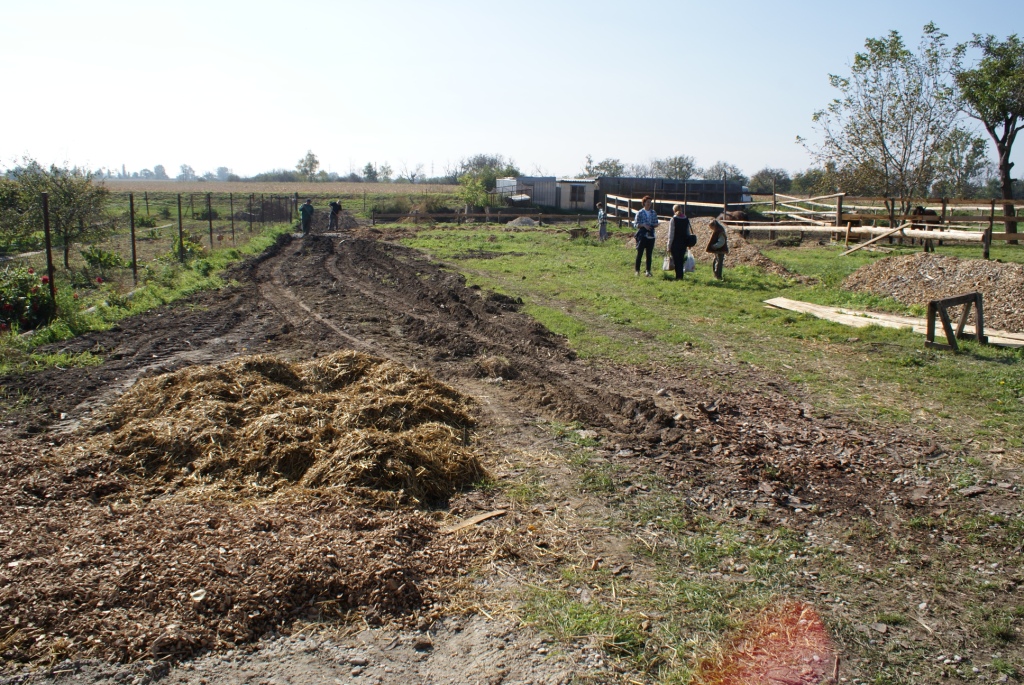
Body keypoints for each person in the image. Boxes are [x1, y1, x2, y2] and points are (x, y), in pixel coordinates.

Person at [633, 196, 658, 276]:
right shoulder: (640, 212)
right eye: (647, 202)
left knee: (649, 254)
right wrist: (643, 225)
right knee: (640, 253)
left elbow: (656, 222)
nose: (649, 204)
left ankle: (648, 271)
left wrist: (654, 225)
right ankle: (637, 270)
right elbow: (635, 224)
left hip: (651, 235)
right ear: (644, 203)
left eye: (650, 202)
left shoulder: (653, 212)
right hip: (642, 235)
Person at [667, 204, 693, 280]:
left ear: (674, 210)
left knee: (676, 260)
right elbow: (687, 232)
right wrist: (688, 243)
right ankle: (680, 276)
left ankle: (678, 276)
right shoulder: (686, 219)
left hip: (675, 243)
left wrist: (668, 245)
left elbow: (671, 233)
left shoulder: (673, 220)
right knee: (681, 260)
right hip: (683, 242)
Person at [706, 215, 730, 280]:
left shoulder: (720, 232)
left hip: (720, 250)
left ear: (714, 226)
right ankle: (716, 274)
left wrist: (715, 246)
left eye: (712, 228)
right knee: (716, 262)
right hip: (717, 250)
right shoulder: (718, 230)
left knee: (718, 263)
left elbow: (721, 242)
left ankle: (718, 276)